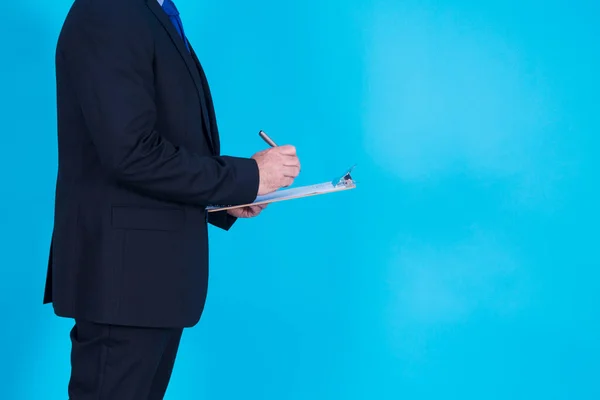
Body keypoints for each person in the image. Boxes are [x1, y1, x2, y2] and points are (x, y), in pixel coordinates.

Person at [42, 0, 301, 398]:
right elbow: (130, 152)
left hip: (149, 281)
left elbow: (163, 140)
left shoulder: (152, 13)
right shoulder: (109, 10)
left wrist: (227, 197)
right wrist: (245, 175)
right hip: (124, 283)